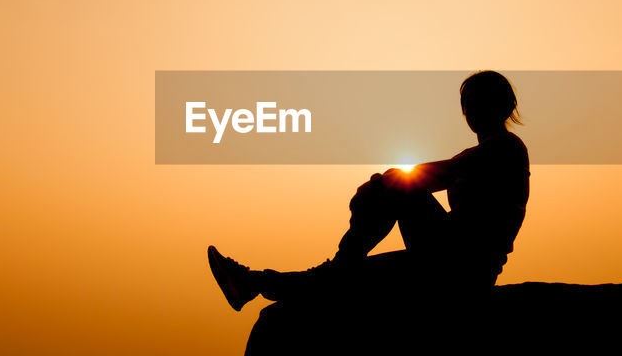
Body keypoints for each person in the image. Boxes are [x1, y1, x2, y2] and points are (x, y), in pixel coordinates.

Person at [207, 70, 530, 309]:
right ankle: (252, 282)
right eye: (467, 103)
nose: (471, 110)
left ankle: (262, 280)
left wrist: (380, 183)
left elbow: (439, 173)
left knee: (395, 190)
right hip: (447, 262)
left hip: (463, 271)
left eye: (478, 102)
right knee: (348, 274)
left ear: (503, 106)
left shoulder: (505, 149)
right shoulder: (482, 153)